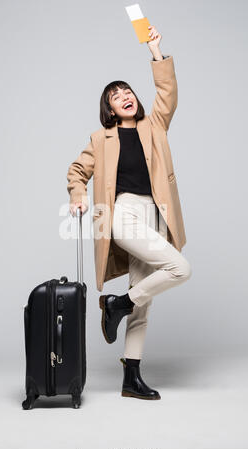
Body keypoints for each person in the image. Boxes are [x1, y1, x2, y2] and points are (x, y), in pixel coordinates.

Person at [68, 25, 192, 400]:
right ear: (109, 107)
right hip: (120, 214)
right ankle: (117, 304)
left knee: (143, 297)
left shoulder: (154, 126)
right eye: (116, 95)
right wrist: (78, 195)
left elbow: (167, 95)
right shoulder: (99, 138)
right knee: (179, 269)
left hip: (155, 213)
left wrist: (156, 51)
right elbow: (78, 171)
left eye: (128, 91)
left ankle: (130, 376)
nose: (125, 96)